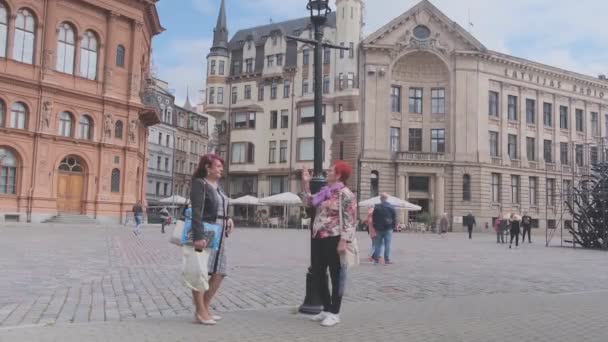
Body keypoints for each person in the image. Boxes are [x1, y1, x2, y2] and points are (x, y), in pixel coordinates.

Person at [300, 161, 356, 327]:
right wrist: (305, 183)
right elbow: (308, 203)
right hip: (319, 236)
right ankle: (326, 308)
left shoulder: (345, 194)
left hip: (335, 237)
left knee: (336, 275)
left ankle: (335, 312)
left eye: (331, 170)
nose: (327, 172)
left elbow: (350, 220)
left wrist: (344, 240)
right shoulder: (325, 192)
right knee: (317, 273)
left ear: (338, 175)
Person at [189, 154, 234, 325]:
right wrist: (198, 236)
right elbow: (197, 211)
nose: (221, 169)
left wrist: (228, 218)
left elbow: (221, 206)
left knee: (220, 271)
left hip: (220, 230)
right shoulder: (200, 184)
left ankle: (204, 307)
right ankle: (200, 311)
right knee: (200, 271)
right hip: (206, 229)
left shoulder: (218, 186)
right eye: (218, 166)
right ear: (208, 167)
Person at [372, 193, 396, 264]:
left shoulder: (376, 207)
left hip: (378, 228)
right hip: (388, 228)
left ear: (380, 199)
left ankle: (376, 259)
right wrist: (393, 226)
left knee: (377, 244)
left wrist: (375, 226)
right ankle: (387, 259)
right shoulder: (391, 207)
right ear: (386, 198)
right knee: (387, 244)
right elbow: (394, 218)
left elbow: (374, 218)